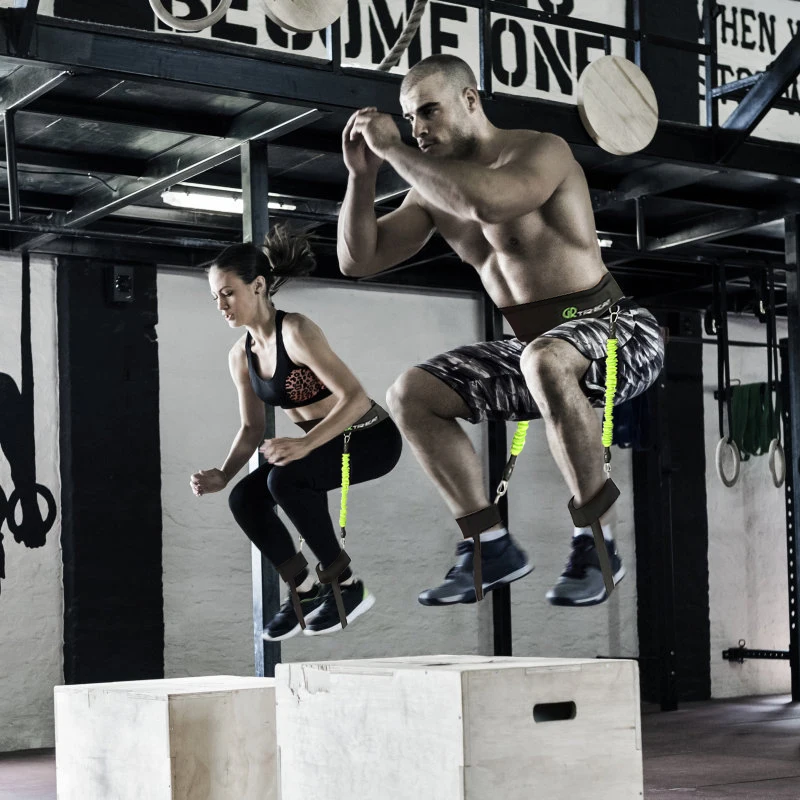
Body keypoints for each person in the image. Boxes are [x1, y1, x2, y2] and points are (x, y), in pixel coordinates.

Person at [337, 54, 663, 608]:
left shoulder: (540, 151)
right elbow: (357, 259)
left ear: (470, 101)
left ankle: (598, 542)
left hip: (617, 330)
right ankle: (489, 546)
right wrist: (362, 176)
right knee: (410, 394)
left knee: (544, 358)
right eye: (410, 119)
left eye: (429, 112)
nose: (418, 129)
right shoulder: (431, 194)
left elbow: (486, 200)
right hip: (536, 348)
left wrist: (393, 150)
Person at [190, 225, 402, 639]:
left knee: (284, 479)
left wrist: (304, 443)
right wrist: (224, 473)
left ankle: (345, 585)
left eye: (228, 292)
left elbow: (356, 398)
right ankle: (303, 592)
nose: (221, 304)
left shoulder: (296, 331)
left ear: (258, 286)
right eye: (214, 296)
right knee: (244, 498)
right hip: (320, 447)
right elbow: (252, 428)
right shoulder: (241, 356)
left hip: (370, 437)